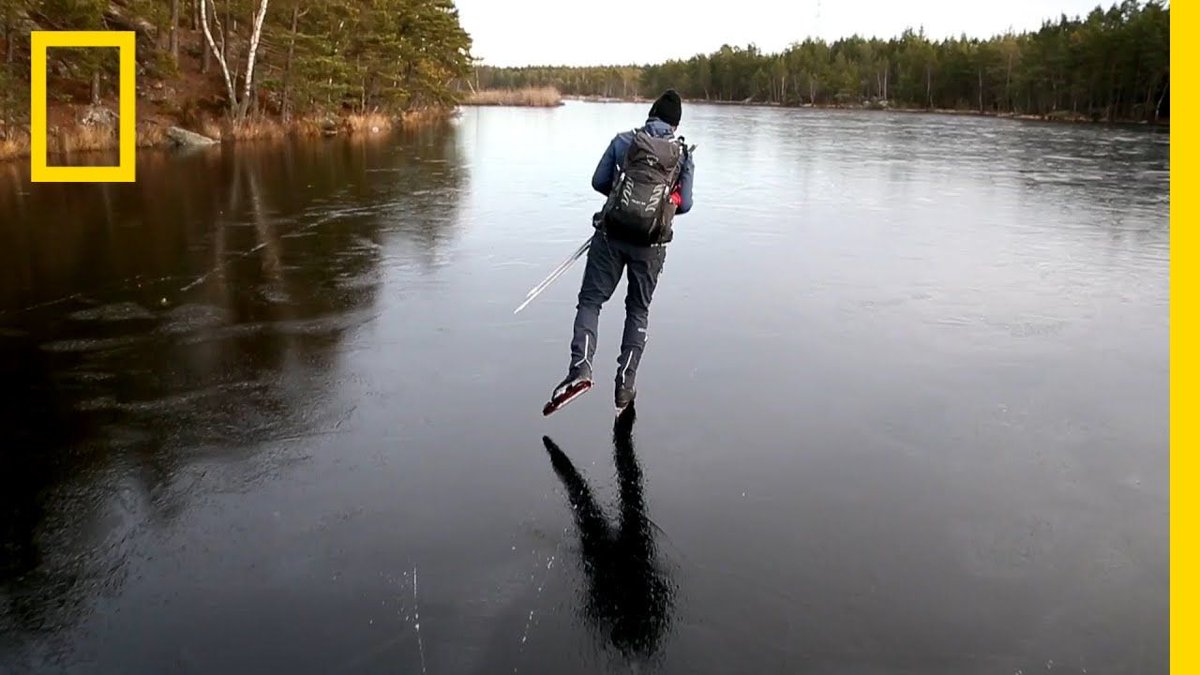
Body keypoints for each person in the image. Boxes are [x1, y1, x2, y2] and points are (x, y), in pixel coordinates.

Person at [549, 89, 695, 414]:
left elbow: (599, 181)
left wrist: (621, 199)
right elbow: (685, 205)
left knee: (591, 301)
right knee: (637, 311)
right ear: (675, 123)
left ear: (651, 114)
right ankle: (625, 386)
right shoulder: (682, 154)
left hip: (610, 236)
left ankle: (581, 368)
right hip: (651, 245)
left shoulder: (624, 140)